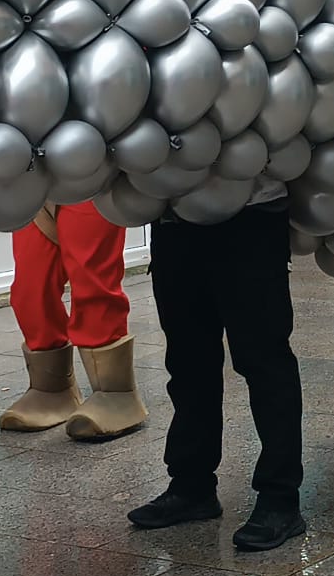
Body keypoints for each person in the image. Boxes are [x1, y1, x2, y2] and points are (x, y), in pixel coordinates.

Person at [128, 189, 306, 552]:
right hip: (173, 217)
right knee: (187, 362)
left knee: (264, 360)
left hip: (251, 213)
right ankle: (191, 486)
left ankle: (280, 498)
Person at [0, 202, 148, 440]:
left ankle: (115, 393)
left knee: (92, 284)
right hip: (34, 182)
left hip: (91, 181)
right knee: (30, 289)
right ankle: (50, 388)